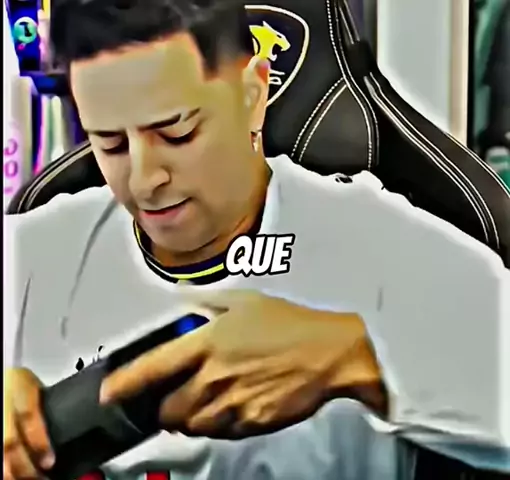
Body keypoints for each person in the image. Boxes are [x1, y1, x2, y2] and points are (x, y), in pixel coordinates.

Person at [3, 0, 509, 479]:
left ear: (252, 96)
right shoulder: (30, 256)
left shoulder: (382, 246)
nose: (143, 179)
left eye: (177, 134)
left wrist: (362, 361)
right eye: (110, 143)